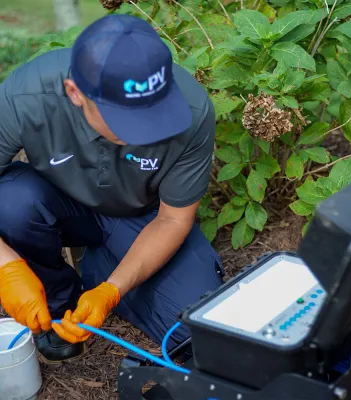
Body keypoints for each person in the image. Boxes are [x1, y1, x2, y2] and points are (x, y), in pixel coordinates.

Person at [0, 14, 224, 364]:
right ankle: (60, 303)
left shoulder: (192, 111)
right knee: (11, 200)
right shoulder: (27, 95)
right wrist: (6, 266)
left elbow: (173, 220)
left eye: (154, 114)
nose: (144, 132)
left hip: (145, 218)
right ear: (75, 92)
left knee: (197, 330)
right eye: (126, 119)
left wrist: (112, 290)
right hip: (59, 202)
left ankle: (101, 271)